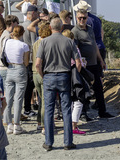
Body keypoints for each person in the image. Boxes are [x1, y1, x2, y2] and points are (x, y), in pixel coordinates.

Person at [36, 18, 81, 152]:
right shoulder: (69, 41)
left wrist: (44, 76)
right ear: (61, 28)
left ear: (50, 27)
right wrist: (75, 77)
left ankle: (49, 142)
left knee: (49, 110)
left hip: (49, 76)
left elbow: (38, 64)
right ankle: (68, 142)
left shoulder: (43, 42)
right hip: (64, 76)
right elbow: (78, 63)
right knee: (66, 109)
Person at [72, 9, 113, 119]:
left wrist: (101, 60)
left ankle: (102, 111)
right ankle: (83, 113)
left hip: (94, 63)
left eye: (84, 18)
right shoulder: (74, 31)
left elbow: (95, 45)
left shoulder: (90, 29)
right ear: (76, 18)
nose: (82, 20)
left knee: (98, 88)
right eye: (80, 17)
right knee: (84, 90)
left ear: (87, 18)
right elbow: (75, 49)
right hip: (84, 65)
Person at [3, 26, 30, 135]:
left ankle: (9, 124)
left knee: (8, 97)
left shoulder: (7, 42)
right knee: (18, 98)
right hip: (20, 69)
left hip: (10, 69)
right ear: (22, 33)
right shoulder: (24, 45)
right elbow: (26, 62)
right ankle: (17, 125)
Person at [62, 29, 86, 135]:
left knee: (68, 101)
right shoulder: (74, 48)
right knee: (78, 100)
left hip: (63, 74)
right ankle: (74, 125)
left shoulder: (60, 48)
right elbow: (79, 63)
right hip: (74, 75)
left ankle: (67, 124)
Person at [32, 22, 52, 134]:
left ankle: (39, 123)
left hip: (34, 73)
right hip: (43, 72)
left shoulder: (35, 43)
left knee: (41, 100)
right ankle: (45, 126)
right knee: (45, 101)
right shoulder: (46, 43)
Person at [22, 5, 39, 117]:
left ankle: (27, 107)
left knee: (27, 85)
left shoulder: (21, 25)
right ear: (32, 13)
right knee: (31, 85)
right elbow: (34, 44)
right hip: (31, 59)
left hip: (23, 59)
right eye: (37, 13)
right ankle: (27, 108)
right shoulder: (31, 26)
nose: (38, 16)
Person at [0, 15, 19, 92]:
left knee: (8, 92)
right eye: (17, 23)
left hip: (3, 67)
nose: (18, 25)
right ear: (12, 23)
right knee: (9, 92)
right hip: (6, 67)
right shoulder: (7, 35)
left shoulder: (5, 34)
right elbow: (6, 52)